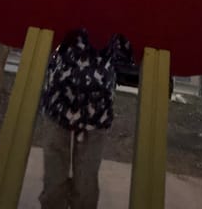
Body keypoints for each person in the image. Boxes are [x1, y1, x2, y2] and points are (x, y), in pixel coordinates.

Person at [39, 28, 134, 209]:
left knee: (85, 188)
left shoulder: (119, 12)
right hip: (59, 101)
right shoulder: (68, 5)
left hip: (96, 110)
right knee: (53, 187)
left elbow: (129, 50)